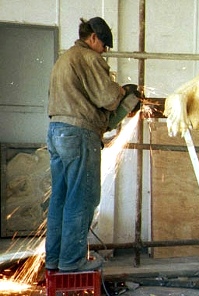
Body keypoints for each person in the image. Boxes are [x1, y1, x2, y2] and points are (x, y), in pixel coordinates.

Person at [45, 17, 126, 272]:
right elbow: (109, 98)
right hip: (79, 134)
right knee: (82, 198)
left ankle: (55, 259)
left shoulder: (65, 58)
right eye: (104, 45)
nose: (105, 50)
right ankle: (72, 261)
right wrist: (123, 92)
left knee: (61, 198)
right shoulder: (89, 57)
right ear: (93, 38)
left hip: (57, 132)